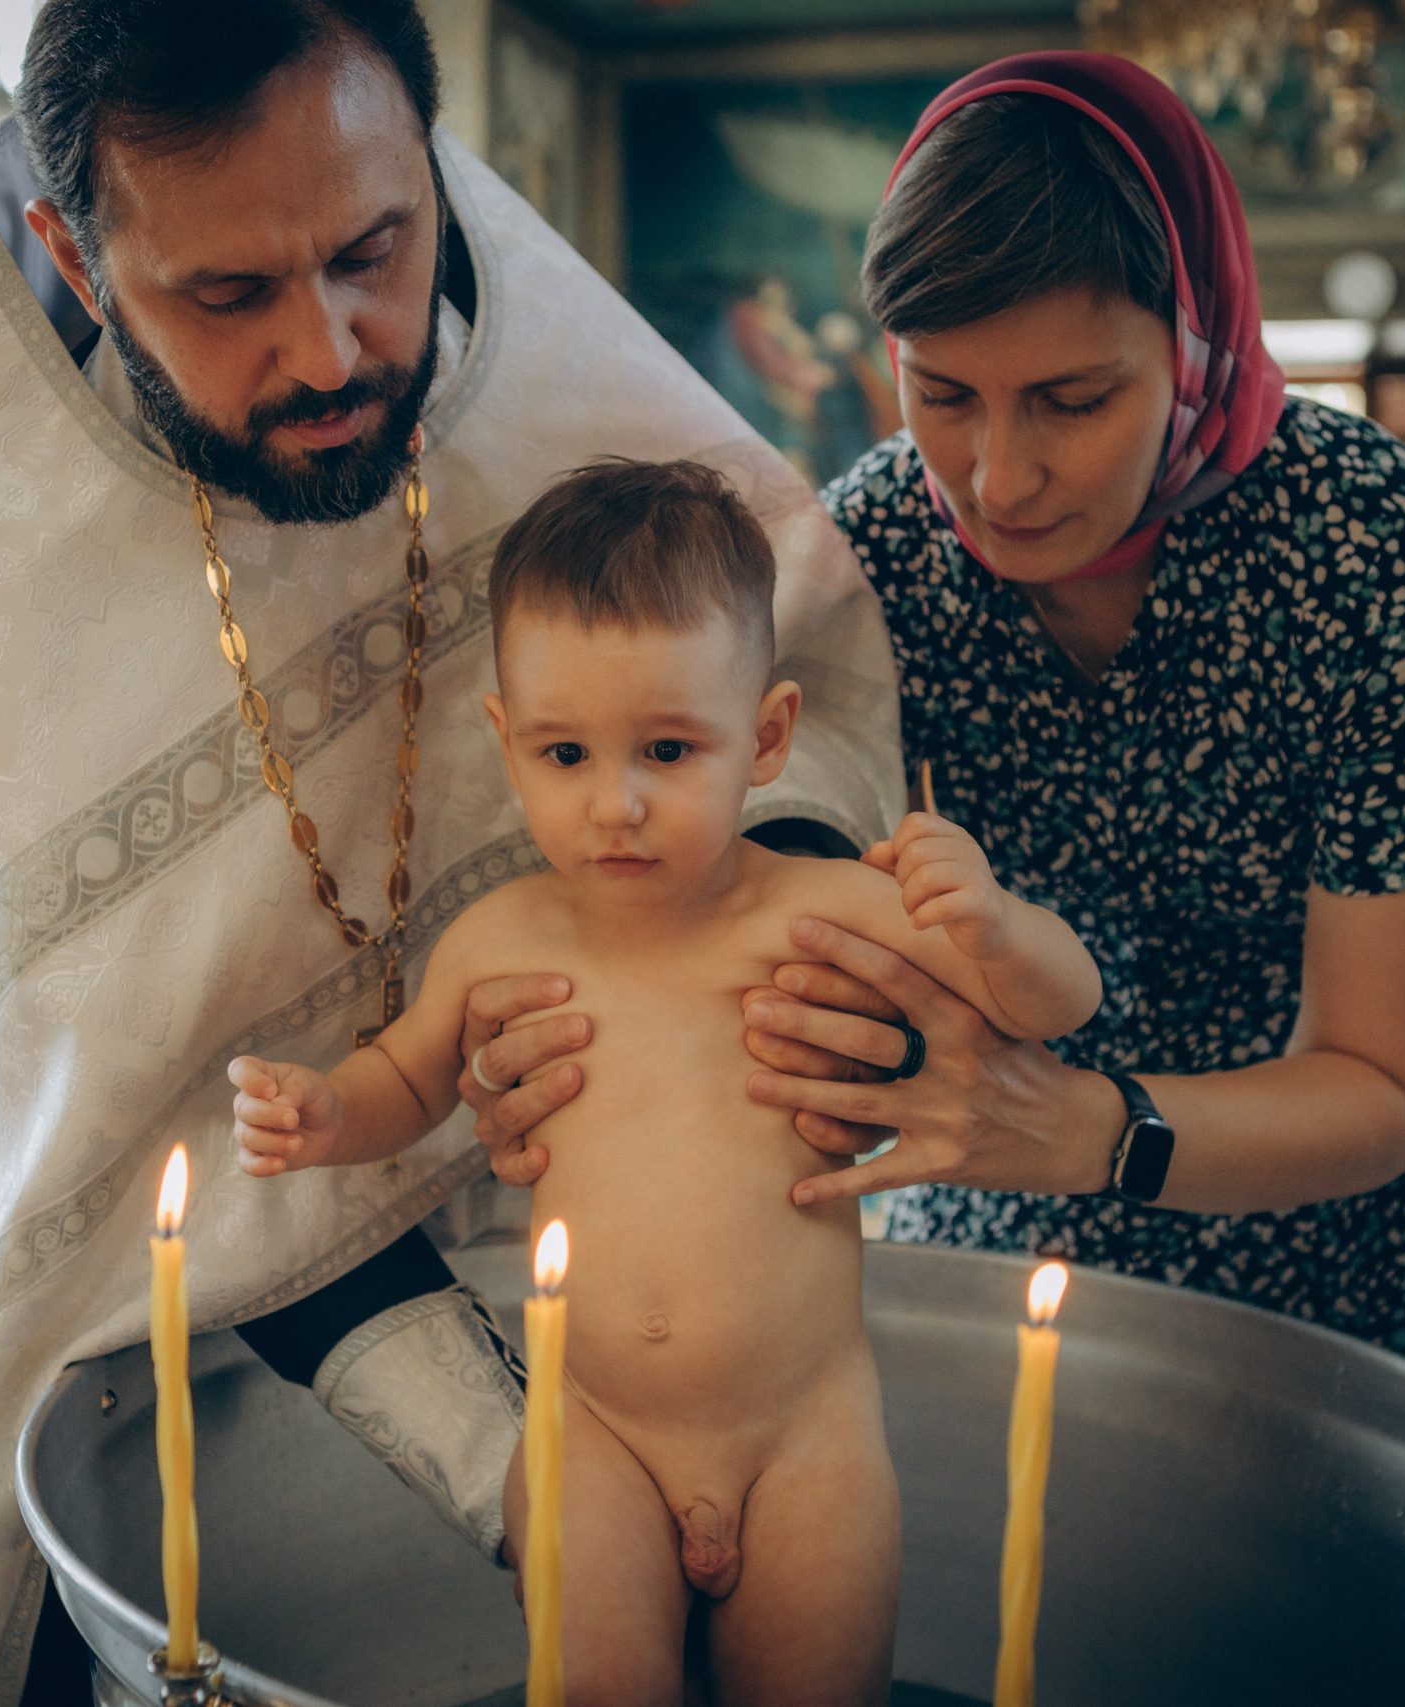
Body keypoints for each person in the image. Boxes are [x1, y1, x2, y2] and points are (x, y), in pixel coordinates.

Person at [0, 3, 905, 1702]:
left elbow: (804, 693)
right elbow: (112, 1170)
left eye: (372, 252)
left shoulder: (577, 440)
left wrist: (777, 940)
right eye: (227, 294)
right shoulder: (14, 639)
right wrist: (509, 1452)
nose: (326, 352)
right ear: (79, 261)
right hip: (251, 1410)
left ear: (434, 177)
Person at [718, 52, 1405, 1429]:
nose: (996, 478)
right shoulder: (873, 551)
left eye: (1072, 399)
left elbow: (1382, 1081)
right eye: (942, 394)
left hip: (1333, 1224)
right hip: (1008, 1190)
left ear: (1195, 343)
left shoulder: (1369, 547)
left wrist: (1085, 1127)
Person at [230, 461, 1099, 1705]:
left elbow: (1061, 1006)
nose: (617, 803)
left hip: (804, 1437)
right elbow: (408, 1083)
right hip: (595, 1432)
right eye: (566, 753)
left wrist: (999, 926)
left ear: (768, 738)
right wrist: (325, 1115)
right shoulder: (500, 937)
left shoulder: (828, 908)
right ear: (507, 744)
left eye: (669, 749)